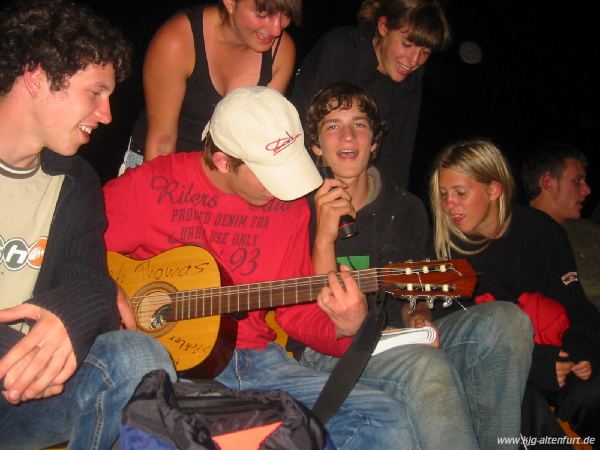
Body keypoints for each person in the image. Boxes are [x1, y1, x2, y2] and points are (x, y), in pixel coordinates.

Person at [104, 86, 413, 449]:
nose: (284, 188)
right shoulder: (153, 184)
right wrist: (113, 295)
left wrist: (346, 327)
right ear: (222, 160)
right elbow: (76, 248)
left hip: (253, 362)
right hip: (161, 363)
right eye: (270, 172)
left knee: (385, 418)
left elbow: (296, 315)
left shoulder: (291, 206)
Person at [301, 83, 534, 449]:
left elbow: (414, 290)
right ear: (316, 146)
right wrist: (323, 240)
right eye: (332, 125)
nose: (347, 135)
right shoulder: (297, 205)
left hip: (397, 338)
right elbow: (318, 318)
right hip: (330, 350)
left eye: (359, 124)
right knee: (427, 367)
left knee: (508, 322)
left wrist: (418, 316)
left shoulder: (405, 208)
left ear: (374, 142)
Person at [0, 1, 176, 449]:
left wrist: (69, 316)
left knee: (142, 358)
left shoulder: (74, 181)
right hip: (17, 365)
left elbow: (90, 278)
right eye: (95, 92)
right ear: (36, 76)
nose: (107, 114)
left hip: (27, 393)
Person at [430, 138, 600, 445]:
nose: (449, 204)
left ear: (494, 190)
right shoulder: (444, 253)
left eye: (460, 192)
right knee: (520, 403)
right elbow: (458, 341)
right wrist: (537, 364)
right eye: (443, 194)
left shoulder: (540, 231)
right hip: (502, 374)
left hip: (557, 355)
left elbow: (576, 305)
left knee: (592, 392)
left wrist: (580, 352)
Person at [122, 0, 300, 170]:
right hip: (158, 160)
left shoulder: (281, 51)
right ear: (230, 3)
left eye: (285, 13)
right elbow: (162, 141)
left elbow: (259, 140)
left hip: (223, 171)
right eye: (263, 13)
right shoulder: (178, 40)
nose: (277, 29)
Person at [291, 0, 450, 188]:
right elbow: (316, 137)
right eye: (407, 44)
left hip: (364, 188)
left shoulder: (412, 79)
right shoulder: (341, 48)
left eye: (425, 52)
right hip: (304, 175)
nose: (414, 60)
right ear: (383, 26)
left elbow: (399, 153)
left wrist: (392, 210)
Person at [522, 142, 600, 312]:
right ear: (549, 183)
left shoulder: (588, 229)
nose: (587, 190)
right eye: (577, 181)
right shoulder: (521, 235)